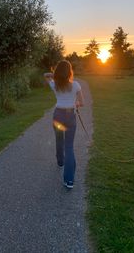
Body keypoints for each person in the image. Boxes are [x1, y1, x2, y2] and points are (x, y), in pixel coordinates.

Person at [44, 60, 84, 189]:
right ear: (70, 72)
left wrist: (55, 74)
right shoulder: (76, 85)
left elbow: (45, 75)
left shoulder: (54, 84)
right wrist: (75, 104)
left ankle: (60, 161)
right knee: (69, 147)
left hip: (58, 116)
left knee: (59, 140)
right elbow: (81, 103)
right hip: (70, 116)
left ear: (57, 72)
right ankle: (69, 180)